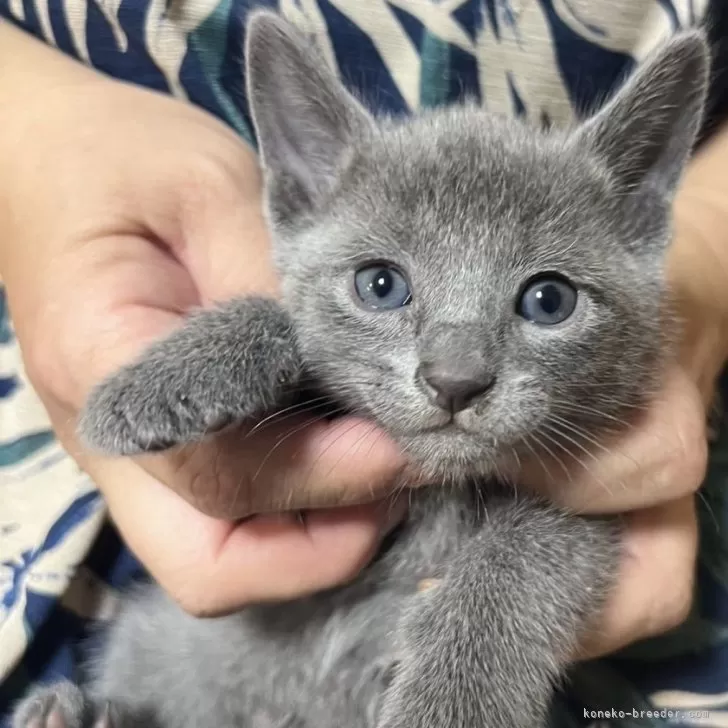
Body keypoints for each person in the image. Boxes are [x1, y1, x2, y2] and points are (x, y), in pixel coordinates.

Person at [0, 0, 727, 724]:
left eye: (546, 301)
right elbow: (299, 334)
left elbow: (572, 518)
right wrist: (38, 132)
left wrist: (708, 247)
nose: (457, 371)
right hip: (107, 577)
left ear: (635, 215)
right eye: (383, 285)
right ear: (302, 191)